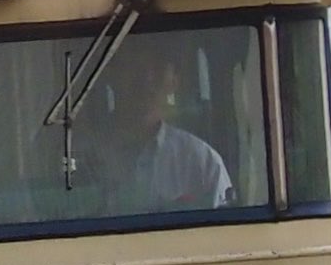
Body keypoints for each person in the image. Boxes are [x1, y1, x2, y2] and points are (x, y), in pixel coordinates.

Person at [101, 42, 236, 211]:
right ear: (110, 75)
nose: (146, 78)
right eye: (134, 65)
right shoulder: (78, 157)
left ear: (174, 81)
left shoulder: (203, 163)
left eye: (157, 67)